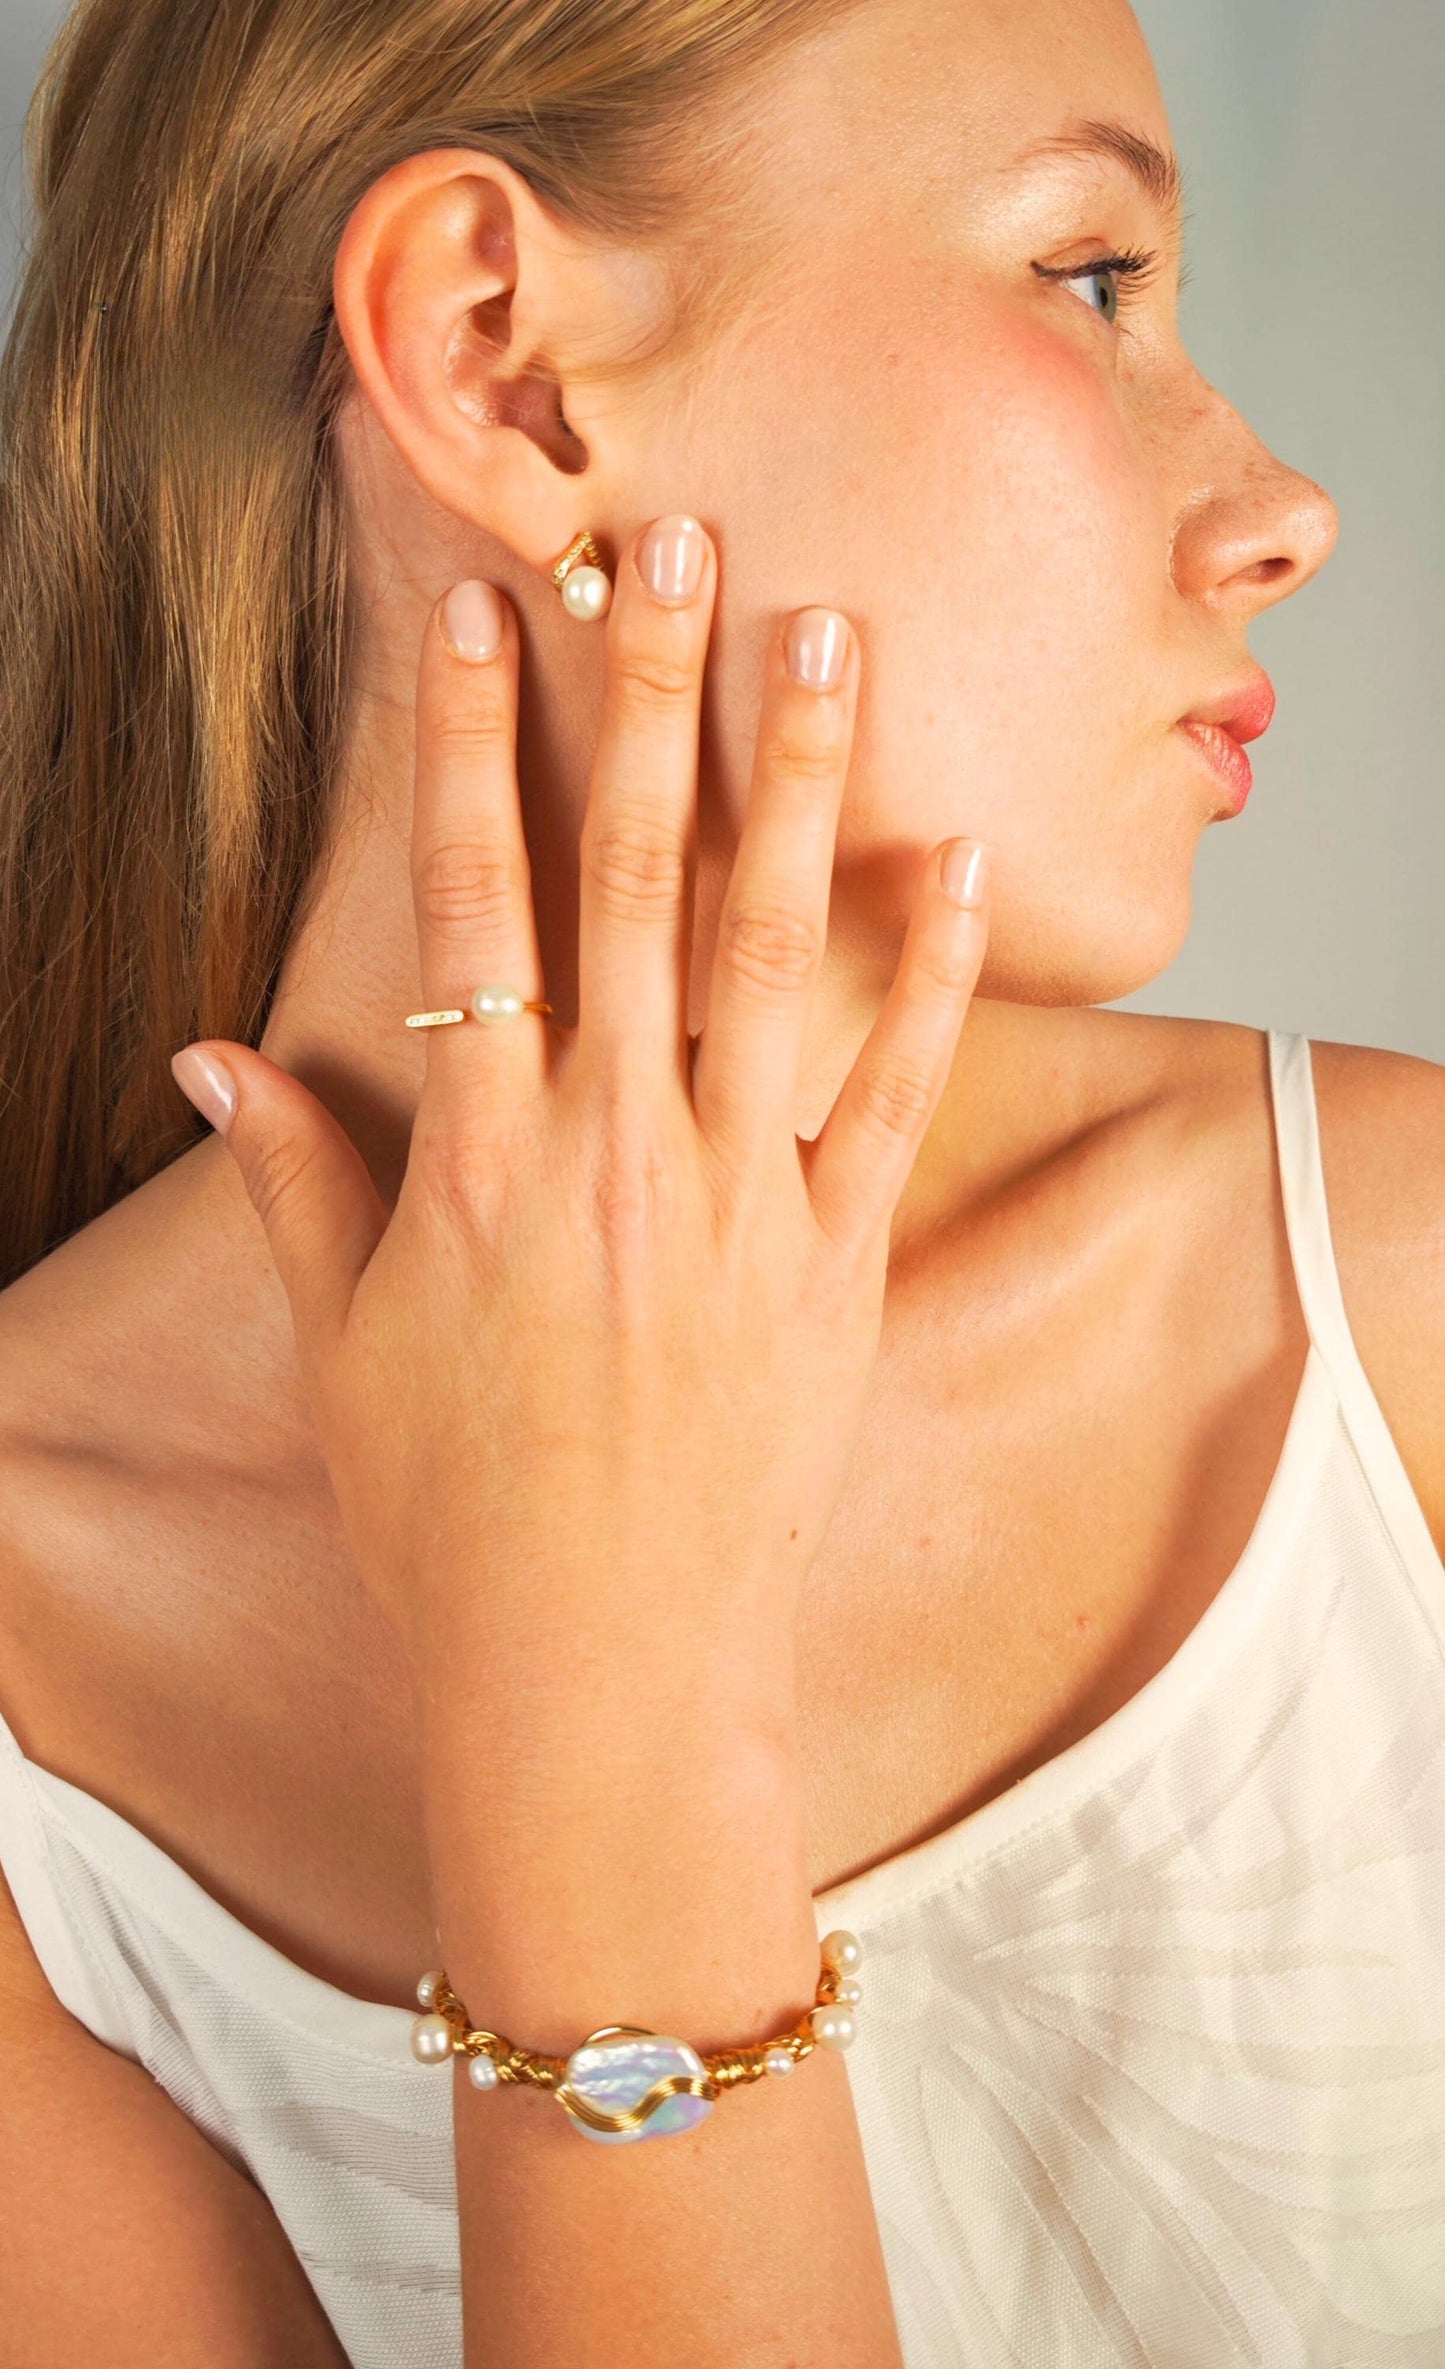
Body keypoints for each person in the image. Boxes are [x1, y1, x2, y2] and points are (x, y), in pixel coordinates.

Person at [0, 0, 1441, 2360]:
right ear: (504, 367)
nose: (1284, 509)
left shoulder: (1394, 1303)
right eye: (1092, 277)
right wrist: (603, 1690)